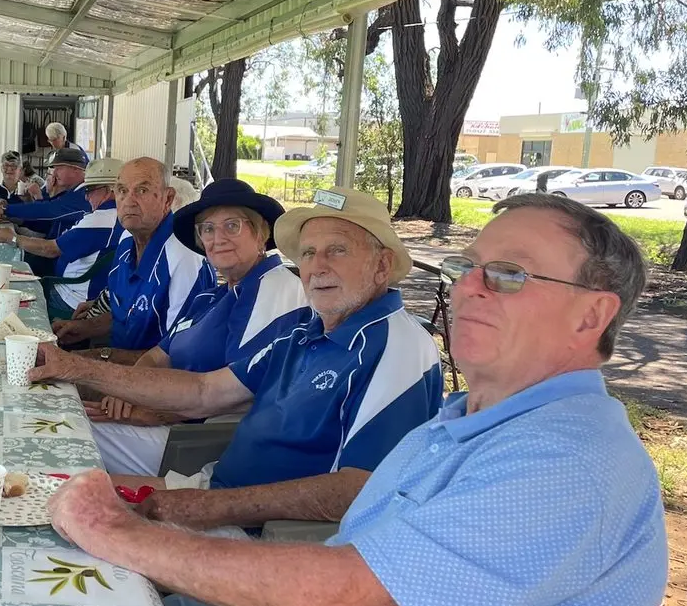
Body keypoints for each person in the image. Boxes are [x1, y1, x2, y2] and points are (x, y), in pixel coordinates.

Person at [44, 192, 665, 606]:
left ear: (591, 317)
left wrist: (121, 533)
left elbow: (344, 591)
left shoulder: (561, 463)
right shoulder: (472, 422)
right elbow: (378, 578)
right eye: (465, 267)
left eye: (508, 275)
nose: (470, 288)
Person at [36, 185, 440, 491]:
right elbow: (203, 387)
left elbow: (358, 493)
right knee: (48, 454)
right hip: (211, 483)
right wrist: (80, 369)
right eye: (308, 252)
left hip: (226, 490)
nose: (316, 267)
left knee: (62, 470)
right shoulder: (299, 324)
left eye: (337, 251)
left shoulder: (394, 342)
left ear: (382, 264)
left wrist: (194, 502)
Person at [71, 179, 312, 475]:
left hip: (200, 444)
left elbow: (242, 394)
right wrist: (128, 392)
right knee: (63, 414)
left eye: (232, 226)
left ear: (260, 232)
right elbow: (158, 355)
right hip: (167, 422)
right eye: (207, 229)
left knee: (68, 435)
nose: (217, 237)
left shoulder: (275, 288)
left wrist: (150, 410)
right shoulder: (213, 295)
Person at [52, 157, 214, 358]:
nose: (129, 201)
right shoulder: (128, 237)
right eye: (121, 191)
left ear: (168, 199)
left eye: (142, 190)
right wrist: (83, 328)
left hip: (154, 381)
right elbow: (127, 314)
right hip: (118, 363)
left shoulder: (184, 257)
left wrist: (98, 359)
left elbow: (178, 357)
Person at [0, 157, 123, 320]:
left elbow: (50, 249)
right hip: (88, 293)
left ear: (111, 190)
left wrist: (12, 238)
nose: (86, 197)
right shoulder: (118, 217)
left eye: (90, 190)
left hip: (71, 297)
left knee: (9, 296)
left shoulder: (103, 218)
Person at [0, 147, 91, 240]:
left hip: (56, 256)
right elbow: (44, 224)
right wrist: (13, 218)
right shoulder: (71, 192)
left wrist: (5, 209)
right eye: (53, 170)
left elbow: (47, 210)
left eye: (59, 168)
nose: (54, 174)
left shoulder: (83, 195)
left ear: (77, 169)